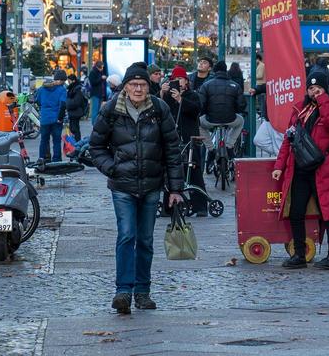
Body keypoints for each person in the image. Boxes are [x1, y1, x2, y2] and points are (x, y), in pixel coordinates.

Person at [90, 62, 184, 314]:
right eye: (134, 84)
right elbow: (95, 147)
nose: (138, 89)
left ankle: (142, 291)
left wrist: (175, 188)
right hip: (122, 185)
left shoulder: (159, 109)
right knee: (127, 235)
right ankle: (123, 291)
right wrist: (112, 168)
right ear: (126, 86)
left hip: (152, 184)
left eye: (142, 84)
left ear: (148, 86)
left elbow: (172, 150)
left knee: (145, 240)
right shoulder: (111, 110)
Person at [271, 71, 329, 269]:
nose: (314, 91)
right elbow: (288, 139)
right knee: (296, 212)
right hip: (300, 168)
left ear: (326, 88)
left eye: (318, 88)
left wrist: (323, 100)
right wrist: (279, 166)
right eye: (311, 88)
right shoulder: (300, 110)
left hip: (322, 169)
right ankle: (299, 255)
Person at [162, 65, 205, 212]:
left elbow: (196, 110)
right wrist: (162, 93)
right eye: (175, 79)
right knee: (170, 171)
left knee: (194, 170)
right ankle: (169, 207)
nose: (178, 82)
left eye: (180, 79)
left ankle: (200, 206)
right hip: (172, 139)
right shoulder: (167, 96)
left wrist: (180, 99)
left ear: (186, 81)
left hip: (189, 138)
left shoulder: (192, 95)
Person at [198, 60, 246, 152]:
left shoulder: (206, 85)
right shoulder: (235, 85)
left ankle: (210, 148)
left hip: (211, 119)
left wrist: (205, 112)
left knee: (198, 123)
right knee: (240, 121)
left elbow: (201, 104)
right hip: (230, 119)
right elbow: (241, 105)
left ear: (214, 71)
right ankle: (229, 146)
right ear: (226, 71)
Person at [34, 70, 69, 162]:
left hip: (45, 118)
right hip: (56, 119)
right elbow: (63, 104)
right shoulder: (62, 89)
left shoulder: (42, 89)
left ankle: (42, 158)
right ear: (61, 80)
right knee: (56, 140)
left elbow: (37, 100)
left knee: (44, 140)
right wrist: (60, 118)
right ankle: (56, 160)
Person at [65, 73, 89, 137]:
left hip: (75, 112)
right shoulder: (73, 88)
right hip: (74, 112)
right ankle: (75, 144)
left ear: (73, 81)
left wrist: (67, 103)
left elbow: (76, 102)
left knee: (75, 129)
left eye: (69, 80)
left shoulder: (77, 89)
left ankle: (77, 144)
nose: (68, 82)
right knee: (73, 129)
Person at [88, 60, 107, 126]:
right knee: (95, 110)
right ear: (98, 67)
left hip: (99, 94)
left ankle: (96, 123)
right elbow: (93, 82)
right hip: (95, 94)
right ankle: (94, 124)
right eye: (101, 67)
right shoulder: (93, 72)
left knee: (98, 110)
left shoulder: (99, 72)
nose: (102, 69)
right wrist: (101, 78)